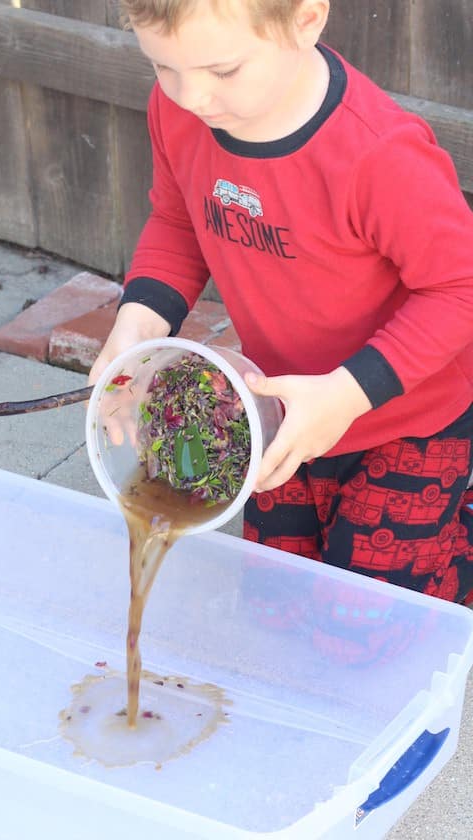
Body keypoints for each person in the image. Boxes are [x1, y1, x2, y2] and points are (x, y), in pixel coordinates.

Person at [89, 0, 473, 604]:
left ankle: (454, 539)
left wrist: (346, 394)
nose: (191, 97)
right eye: (163, 66)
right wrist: (136, 327)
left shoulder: (378, 154)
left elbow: (459, 287)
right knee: (276, 609)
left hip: (406, 422)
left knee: (371, 629)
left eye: (223, 71)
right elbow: (178, 221)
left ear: (305, 20)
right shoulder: (179, 111)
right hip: (274, 407)